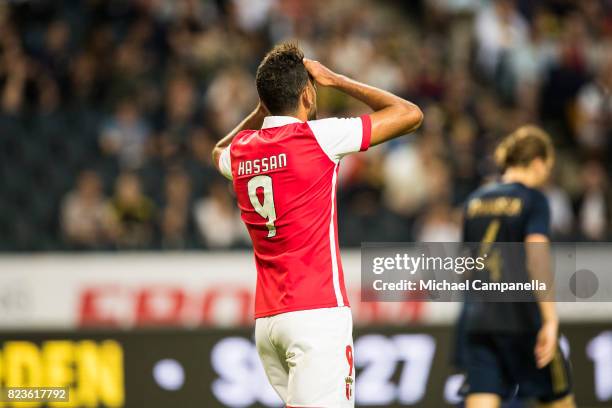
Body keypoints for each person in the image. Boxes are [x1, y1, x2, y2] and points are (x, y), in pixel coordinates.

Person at [212, 42, 423, 407]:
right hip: (316, 314)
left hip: (269, 322)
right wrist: (338, 80)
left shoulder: (243, 149)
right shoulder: (318, 138)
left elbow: (219, 150)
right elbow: (409, 114)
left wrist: (261, 111)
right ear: (308, 92)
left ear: (266, 100)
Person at [457, 125, 575, 407]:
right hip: (523, 318)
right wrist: (550, 320)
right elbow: (537, 257)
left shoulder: (474, 201)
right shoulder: (533, 199)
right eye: (548, 166)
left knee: (483, 396)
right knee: (558, 398)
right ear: (537, 162)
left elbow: (465, 266)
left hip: (479, 319)